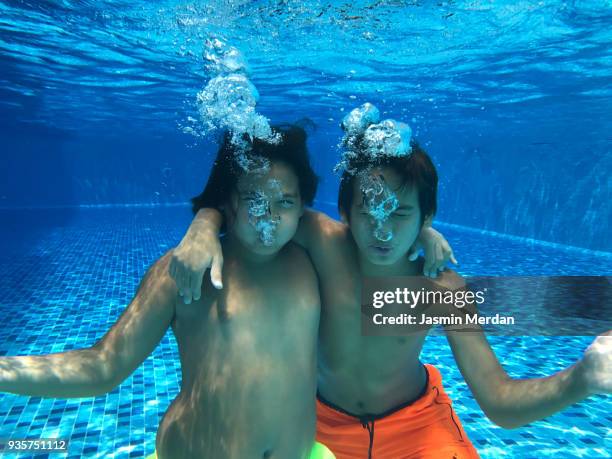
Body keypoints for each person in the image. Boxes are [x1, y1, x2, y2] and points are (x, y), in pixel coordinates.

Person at [168, 106, 612, 459]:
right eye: (369, 213)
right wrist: (204, 225)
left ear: (428, 219)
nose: (382, 232)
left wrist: (583, 377)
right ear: (345, 211)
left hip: (418, 428)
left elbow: (499, 401)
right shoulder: (324, 242)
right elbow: (259, 208)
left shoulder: (440, 289)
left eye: (401, 216)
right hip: (321, 425)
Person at [0, 125, 336, 459]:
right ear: (228, 201)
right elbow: (101, 367)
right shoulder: (183, 272)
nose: (270, 219)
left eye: (285, 202)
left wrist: (205, 220)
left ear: (302, 205)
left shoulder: (313, 261)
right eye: (254, 200)